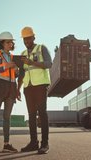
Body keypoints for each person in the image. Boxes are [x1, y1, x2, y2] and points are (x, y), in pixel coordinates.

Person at [17, 26, 52, 154]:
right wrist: (18, 89)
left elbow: (49, 64)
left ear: (34, 37)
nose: (26, 41)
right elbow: (21, 73)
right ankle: (33, 143)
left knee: (42, 114)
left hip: (41, 85)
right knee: (31, 116)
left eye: (29, 38)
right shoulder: (22, 54)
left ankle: (45, 143)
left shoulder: (42, 48)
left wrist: (31, 62)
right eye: (24, 39)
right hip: (28, 87)